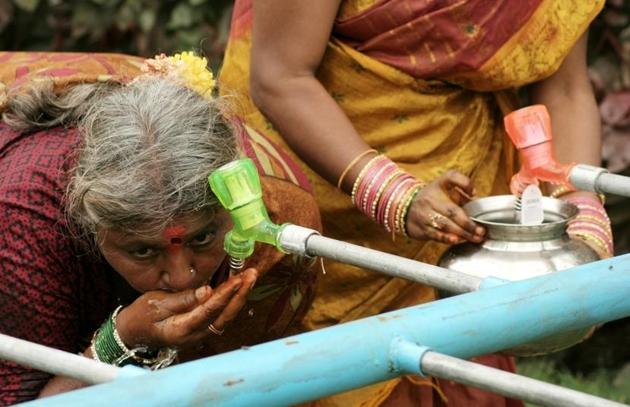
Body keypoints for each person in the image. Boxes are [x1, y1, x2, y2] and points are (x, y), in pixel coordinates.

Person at [219, 0, 613, 405]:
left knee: (458, 362)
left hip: (460, 208)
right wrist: (394, 195)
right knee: (309, 374)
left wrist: (583, 215)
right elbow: (279, 76)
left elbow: (565, 88)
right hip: (319, 193)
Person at [0, 51, 321, 405]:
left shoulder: (276, 223)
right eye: (142, 250)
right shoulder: (26, 223)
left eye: (203, 237)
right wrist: (121, 339)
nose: (183, 278)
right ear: (88, 223)